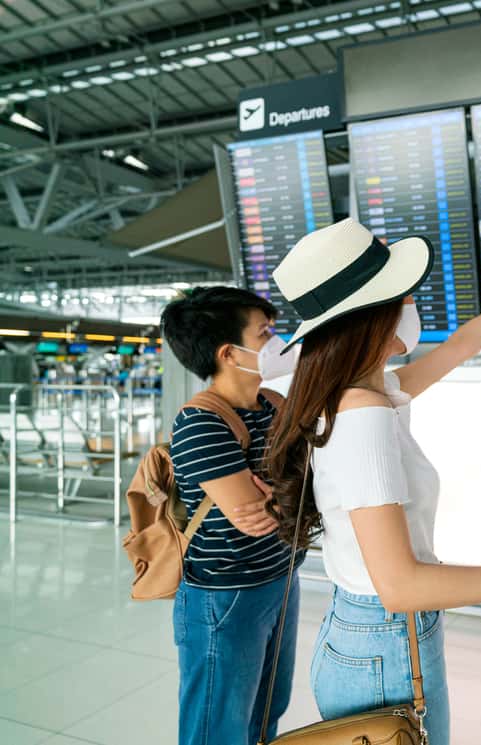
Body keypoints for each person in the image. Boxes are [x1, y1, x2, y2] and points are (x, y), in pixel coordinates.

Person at [264, 219, 481, 745]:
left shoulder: (357, 391)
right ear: (372, 315)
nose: (410, 305)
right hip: (385, 644)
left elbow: (457, 348)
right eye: (400, 295)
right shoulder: (362, 415)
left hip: (369, 638)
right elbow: (400, 586)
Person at [160, 286, 303, 745]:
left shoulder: (275, 405)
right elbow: (254, 518)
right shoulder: (202, 421)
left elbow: (299, 497)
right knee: (218, 728)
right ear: (229, 353)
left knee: (266, 714)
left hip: (281, 578)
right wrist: (296, 494)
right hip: (226, 596)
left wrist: (289, 497)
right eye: (265, 333)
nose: (278, 341)